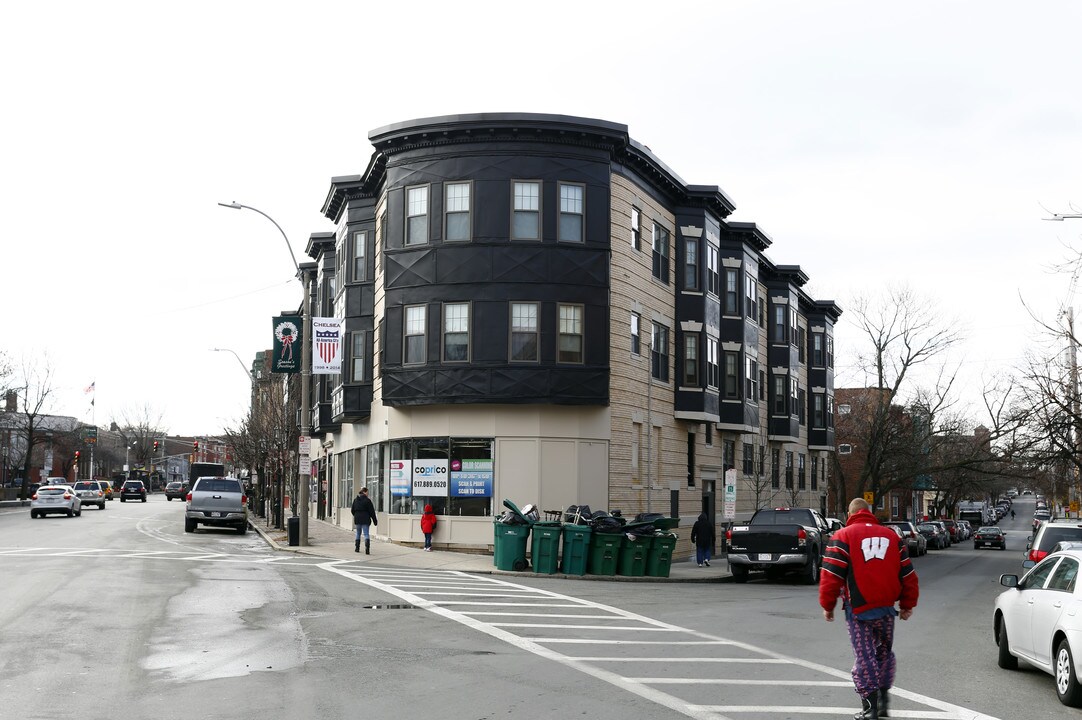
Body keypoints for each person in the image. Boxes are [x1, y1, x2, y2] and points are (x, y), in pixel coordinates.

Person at [820, 498, 919, 720]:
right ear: (869, 512)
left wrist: (828, 606)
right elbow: (908, 575)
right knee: (884, 653)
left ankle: (869, 708)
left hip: (858, 610)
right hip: (886, 609)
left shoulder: (842, 536)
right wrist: (907, 604)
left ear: (850, 513)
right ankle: (884, 701)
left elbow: (831, 576)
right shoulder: (892, 536)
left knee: (864, 656)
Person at [351, 487, 378, 554]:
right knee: (366, 534)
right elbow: (372, 512)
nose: (368, 494)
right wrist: (375, 521)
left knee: (358, 533)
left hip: (358, 519)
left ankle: (357, 548)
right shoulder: (368, 501)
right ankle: (367, 549)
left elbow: (352, 510)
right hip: (365, 519)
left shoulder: (355, 500)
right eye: (367, 492)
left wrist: (356, 515)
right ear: (364, 492)